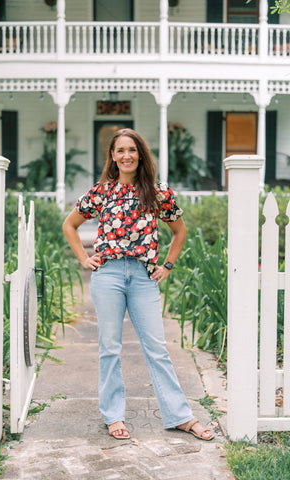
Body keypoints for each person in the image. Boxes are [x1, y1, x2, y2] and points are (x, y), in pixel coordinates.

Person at [63, 128, 214, 441]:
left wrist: (168, 265)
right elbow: (70, 225)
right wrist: (83, 258)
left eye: (132, 150)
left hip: (144, 277)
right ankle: (113, 415)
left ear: (140, 155)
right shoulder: (102, 191)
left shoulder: (157, 192)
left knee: (156, 349)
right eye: (120, 150)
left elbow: (179, 231)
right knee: (109, 347)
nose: (127, 156)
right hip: (108, 276)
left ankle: (180, 416)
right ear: (113, 156)